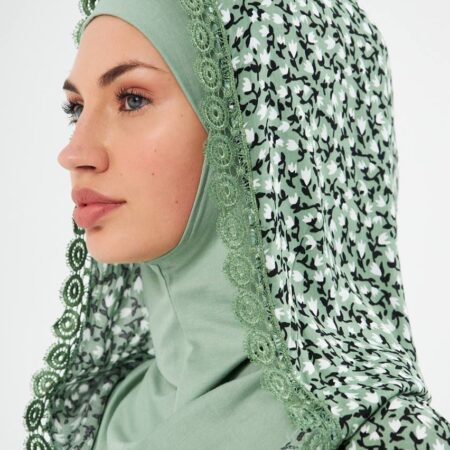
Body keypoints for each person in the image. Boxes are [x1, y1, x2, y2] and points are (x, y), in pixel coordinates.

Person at [23, 0, 450, 449]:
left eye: (133, 99)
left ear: (266, 126)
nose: (74, 153)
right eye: (76, 108)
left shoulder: (385, 436)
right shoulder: (102, 416)